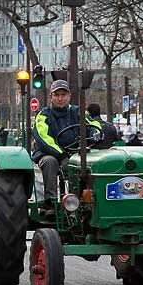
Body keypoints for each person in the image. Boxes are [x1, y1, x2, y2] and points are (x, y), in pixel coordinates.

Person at [32, 80, 96, 215]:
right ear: (51, 96)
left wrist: (95, 135)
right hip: (50, 154)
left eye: (63, 94)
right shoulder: (43, 115)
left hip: (74, 153)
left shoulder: (77, 112)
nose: (60, 98)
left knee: (91, 163)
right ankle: (51, 202)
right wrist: (61, 155)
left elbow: (93, 125)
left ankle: (86, 200)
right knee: (50, 162)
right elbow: (44, 139)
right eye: (57, 95)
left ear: (69, 96)